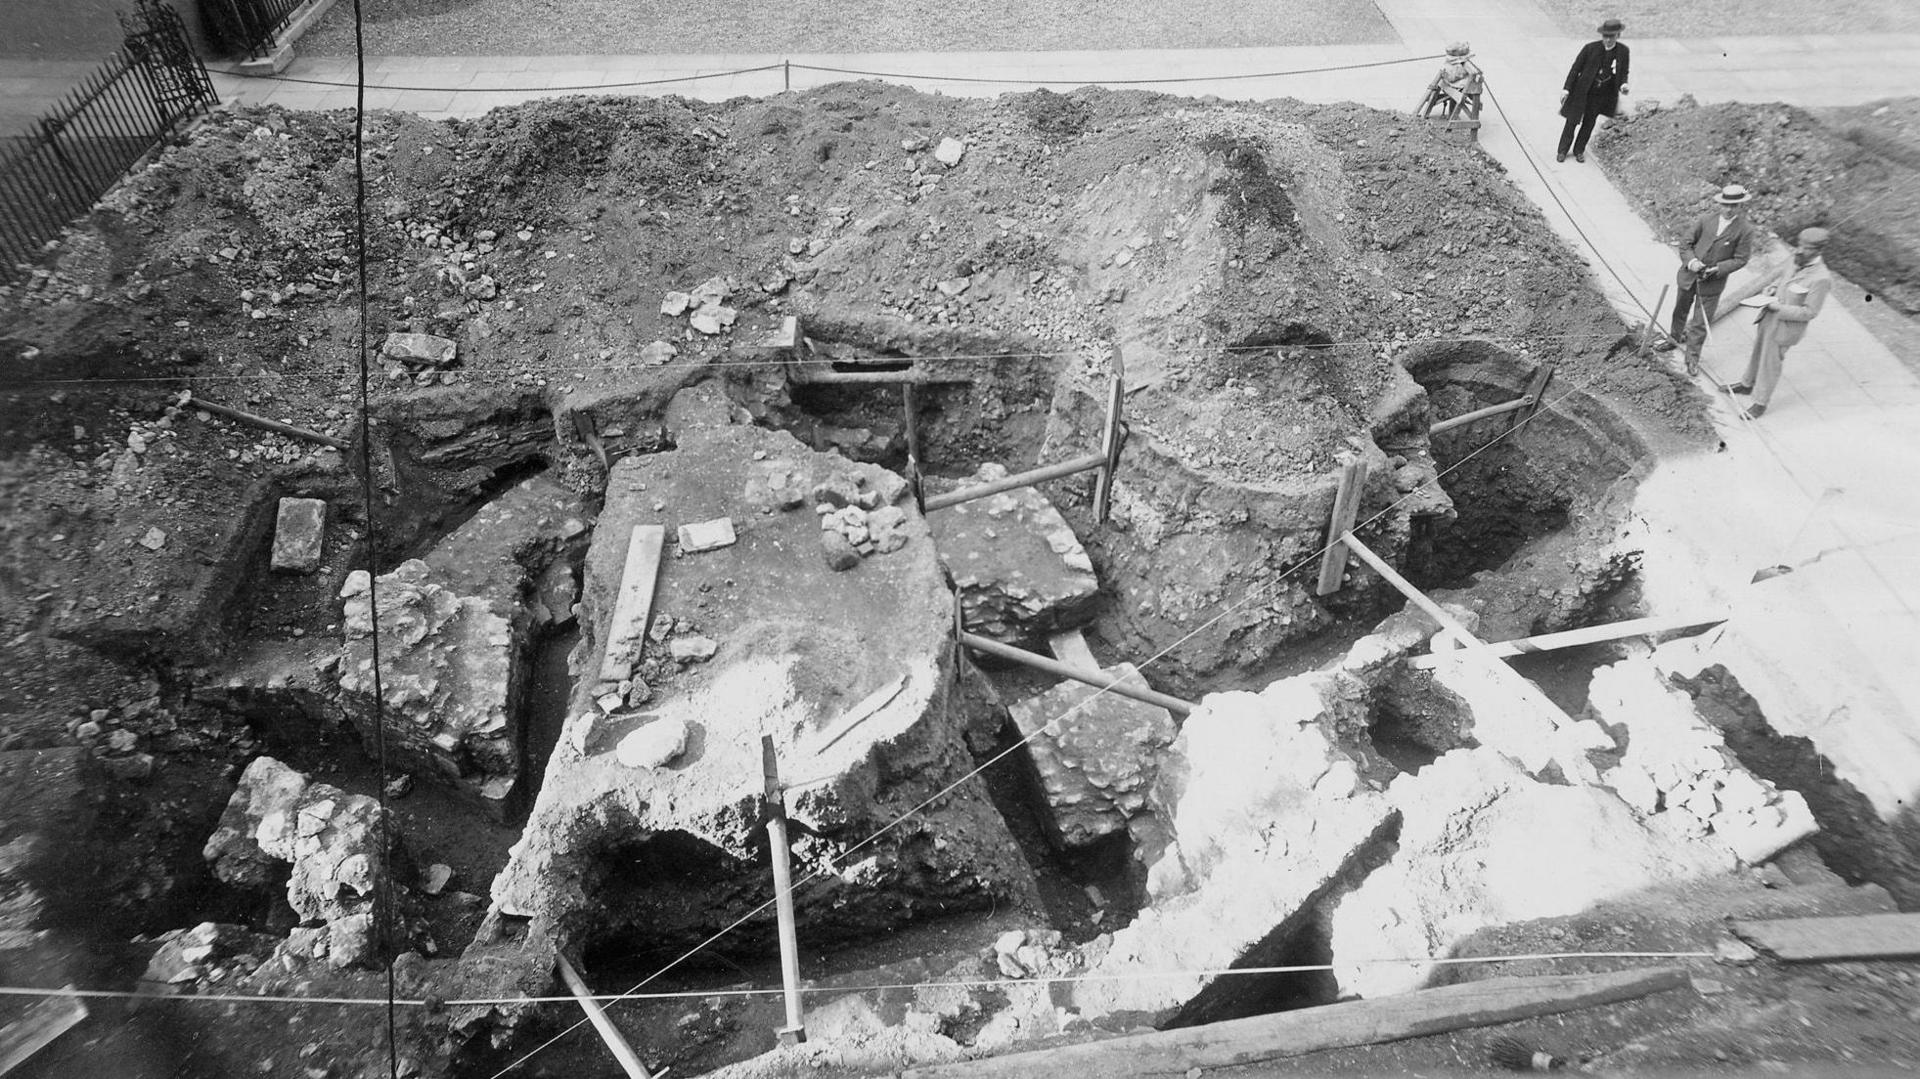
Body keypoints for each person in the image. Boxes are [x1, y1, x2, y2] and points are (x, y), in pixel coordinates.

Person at [1731, 227, 1834, 419]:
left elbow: (1810, 312)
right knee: (1758, 352)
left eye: (1807, 248)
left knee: (1770, 363)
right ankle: (1746, 384)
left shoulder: (1821, 278)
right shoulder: (1795, 261)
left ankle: (1760, 403)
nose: (1801, 250)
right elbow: (1782, 282)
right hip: (1768, 317)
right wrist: (1771, 289)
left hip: (1785, 327)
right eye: (1800, 245)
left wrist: (1779, 309)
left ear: (1819, 251)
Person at [1656, 183, 1755, 375]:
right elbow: (1686, 243)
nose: (1728, 209)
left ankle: (1692, 358)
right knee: (1679, 311)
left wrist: (1718, 269)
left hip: (1712, 284)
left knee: (1700, 323)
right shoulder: (1705, 220)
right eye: (1725, 205)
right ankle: (1673, 339)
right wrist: (1692, 262)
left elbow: (1741, 259)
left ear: (1740, 206)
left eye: (1733, 206)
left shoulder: (1745, 230)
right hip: (1689, 277)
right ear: (1720, 204)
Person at [1557, 18, 1630, 163]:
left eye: (1612, 36)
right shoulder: (1590, 48)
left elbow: (1623, 72)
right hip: (1583, 91)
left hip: (1601, 95)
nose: (1608, 40)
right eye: (1605, 36)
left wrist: (1623, 85)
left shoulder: (1623, 51)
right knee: (1572, 121)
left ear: (1618, 36)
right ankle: (1562, 150)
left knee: (1589, 123)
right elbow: (1575, 69)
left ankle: (1579, 150)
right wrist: (1566, 89)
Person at [1419, 42, 1481, 119]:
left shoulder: (1464, 64)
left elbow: (1469, 74)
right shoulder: (1453, 62)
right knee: (1444, 81)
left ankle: (1452, 114)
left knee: (1459, 91)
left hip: (1459, 84)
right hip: (1451, 81)